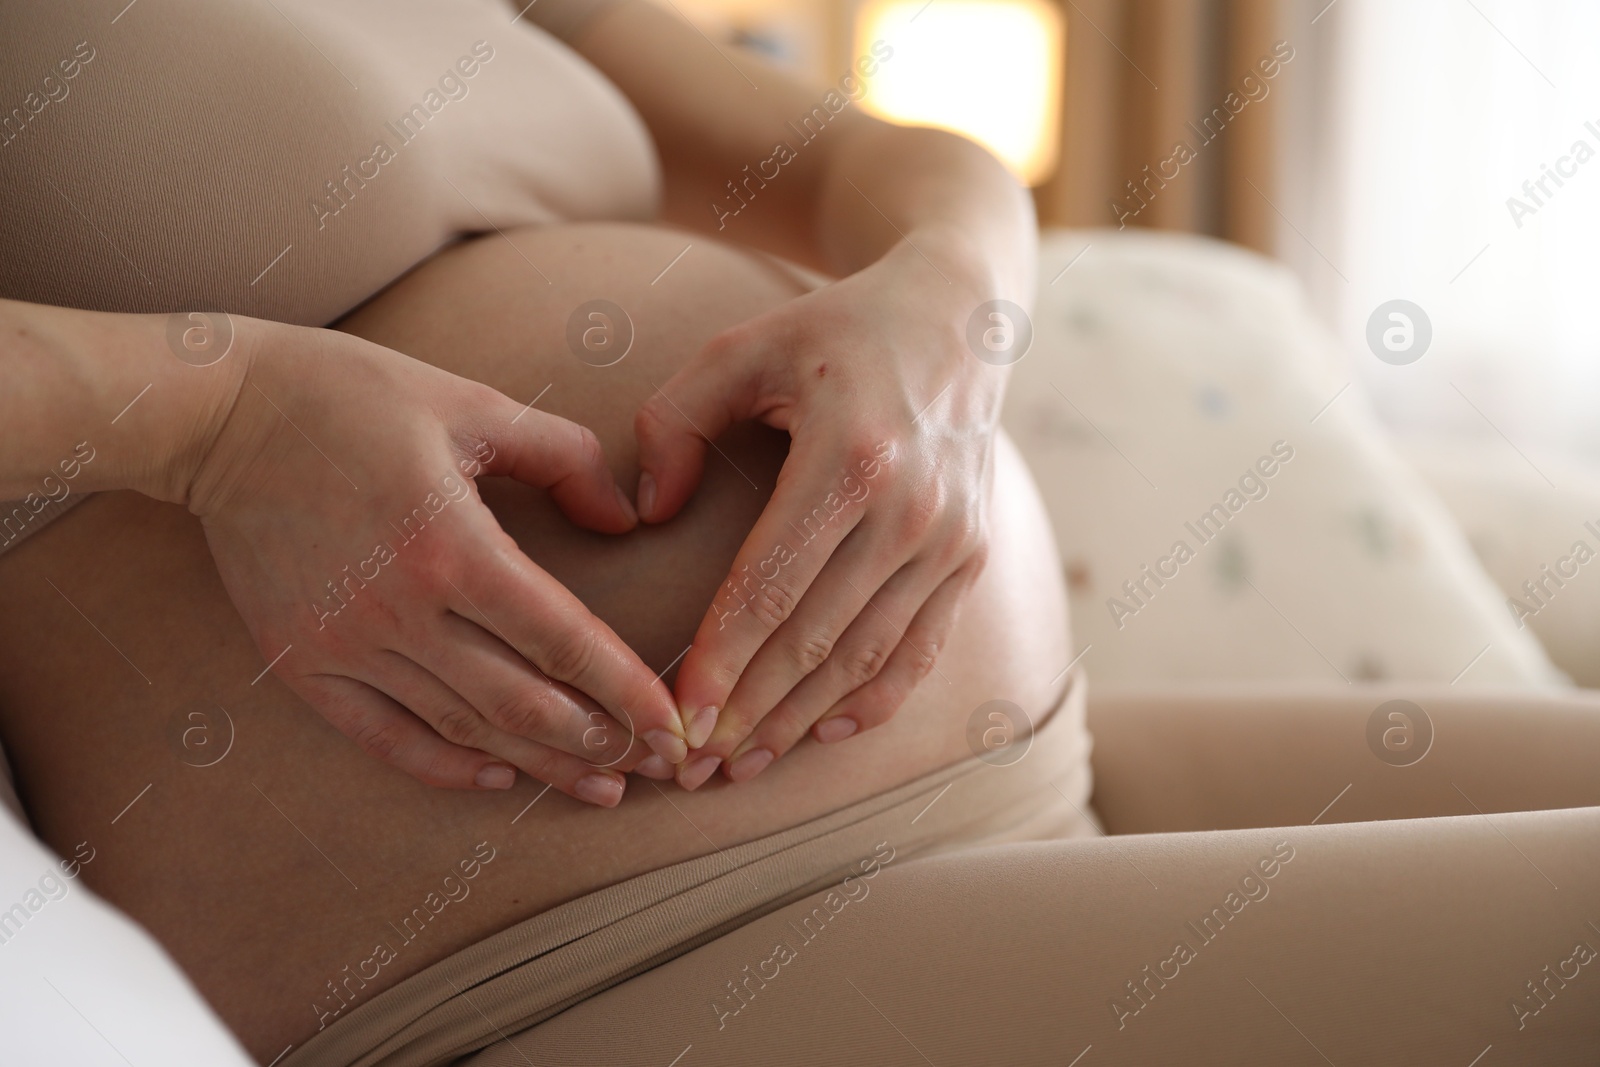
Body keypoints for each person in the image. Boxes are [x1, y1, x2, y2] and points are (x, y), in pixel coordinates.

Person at [1, 2, 1596, 1065]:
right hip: (601, 955)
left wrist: (957, 308)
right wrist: (202, 420)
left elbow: (877, 166)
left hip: (1026, 765)